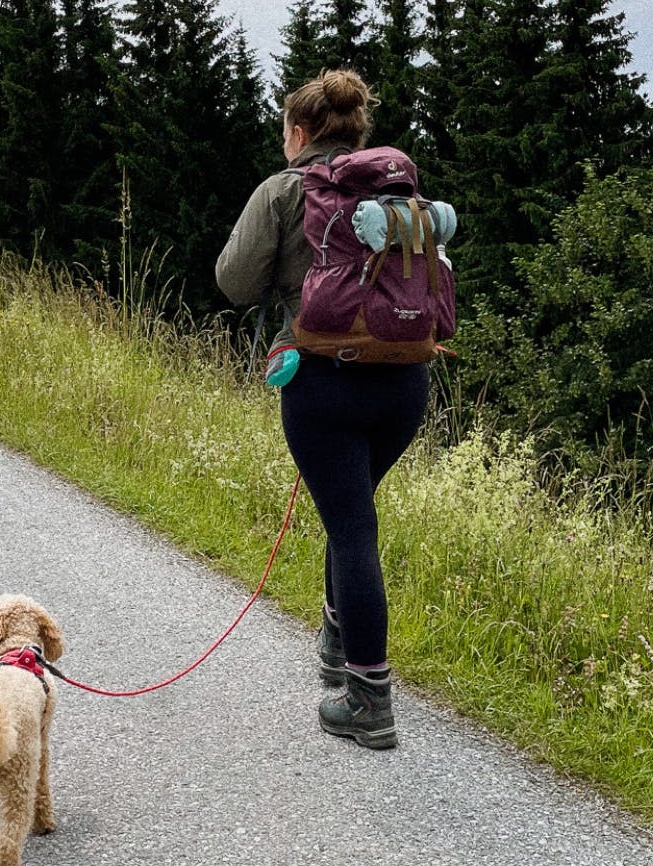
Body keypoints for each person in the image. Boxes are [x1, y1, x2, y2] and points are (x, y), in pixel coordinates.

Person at [215, 70, 430, 751]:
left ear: (299, 134)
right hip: (405, 382)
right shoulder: (398, 191)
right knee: (351, 510)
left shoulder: (285, 190)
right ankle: (337, 639)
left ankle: (369, 702)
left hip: (323, 384)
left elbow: (234, 282)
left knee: (351, 525)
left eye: (285, 133)